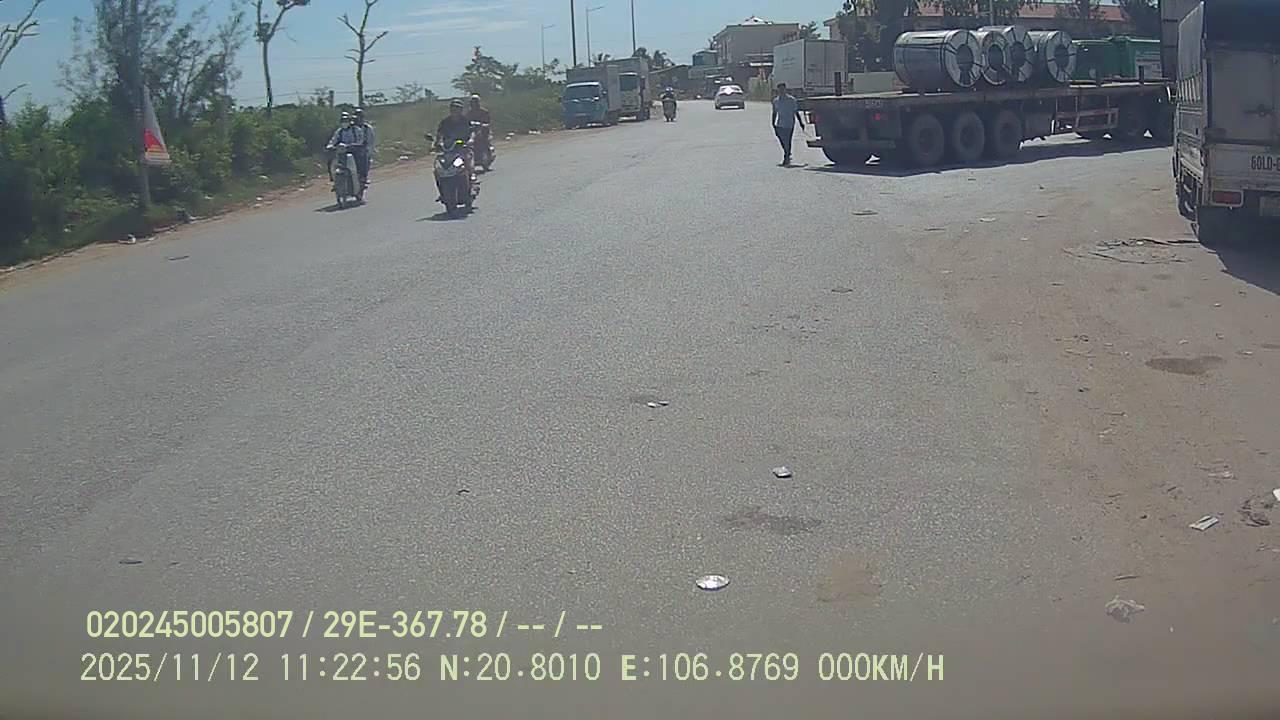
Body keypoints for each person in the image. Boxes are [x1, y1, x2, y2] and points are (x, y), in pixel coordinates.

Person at [326, 111, 369, 188]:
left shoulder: (356, 130)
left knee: (360, 159)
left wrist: (355, 145)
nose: (344, 123)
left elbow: (360, 140)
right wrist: (330, 146)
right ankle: (333, 179)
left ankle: (361, 177)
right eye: (343, 121)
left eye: (346, 121)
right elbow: (334, 140)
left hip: (354, 149)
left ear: (350, 122)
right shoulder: (339, 131)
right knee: (331, 161)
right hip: (342, 150)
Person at [771, 83, 805, 167]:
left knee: (788, 140)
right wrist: (773, 123)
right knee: (782, 140)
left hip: (789, 123)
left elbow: (796, 112)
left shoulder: (791, 100)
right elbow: (774, 113)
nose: (781, 91)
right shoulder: (776, 101)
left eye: (783, 89)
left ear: (785, 89)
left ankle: (786, 157)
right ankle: (787, 152)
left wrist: (801, 123)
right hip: (780, 124)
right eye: (780, 90)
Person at [353, 107, 375, 186]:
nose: (359, 119)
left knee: (364, 157)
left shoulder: (367, 128)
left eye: (360, 117)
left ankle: (363, 177)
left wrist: (369, 151)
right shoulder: (350, 128)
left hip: (363, 149)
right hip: (352, 149)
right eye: (357, 116)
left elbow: (371, 141)